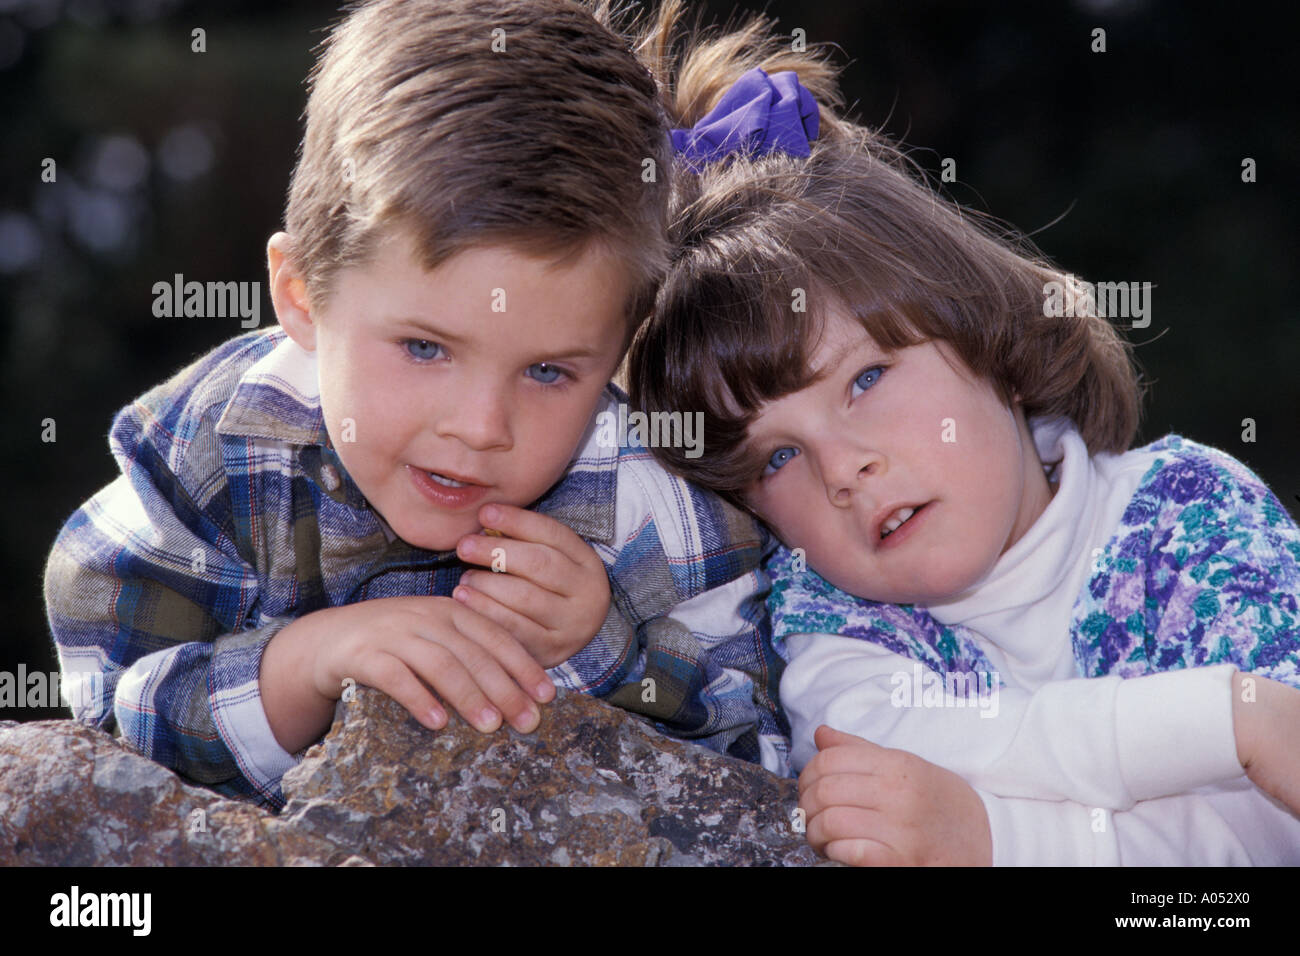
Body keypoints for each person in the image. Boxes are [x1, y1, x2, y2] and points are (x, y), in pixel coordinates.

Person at [42, 0, 793, 810]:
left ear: (618, 352)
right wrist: (300, 665)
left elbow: (770, 769)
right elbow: (100, 742)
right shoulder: (216, 448)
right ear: (302, 295)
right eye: (424, 349)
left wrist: (602, 652)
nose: (479, 428)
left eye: (548, 372)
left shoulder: (653, 501)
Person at [628, 10, 1300, 864]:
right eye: (777, 459)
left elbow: (1271, 836)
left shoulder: (1190, 514)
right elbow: (884, 764)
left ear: (997, 342)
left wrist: (993, 835)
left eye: (865, 380)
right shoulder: (832, 620)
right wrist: (1226, 719)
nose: (843, 470)